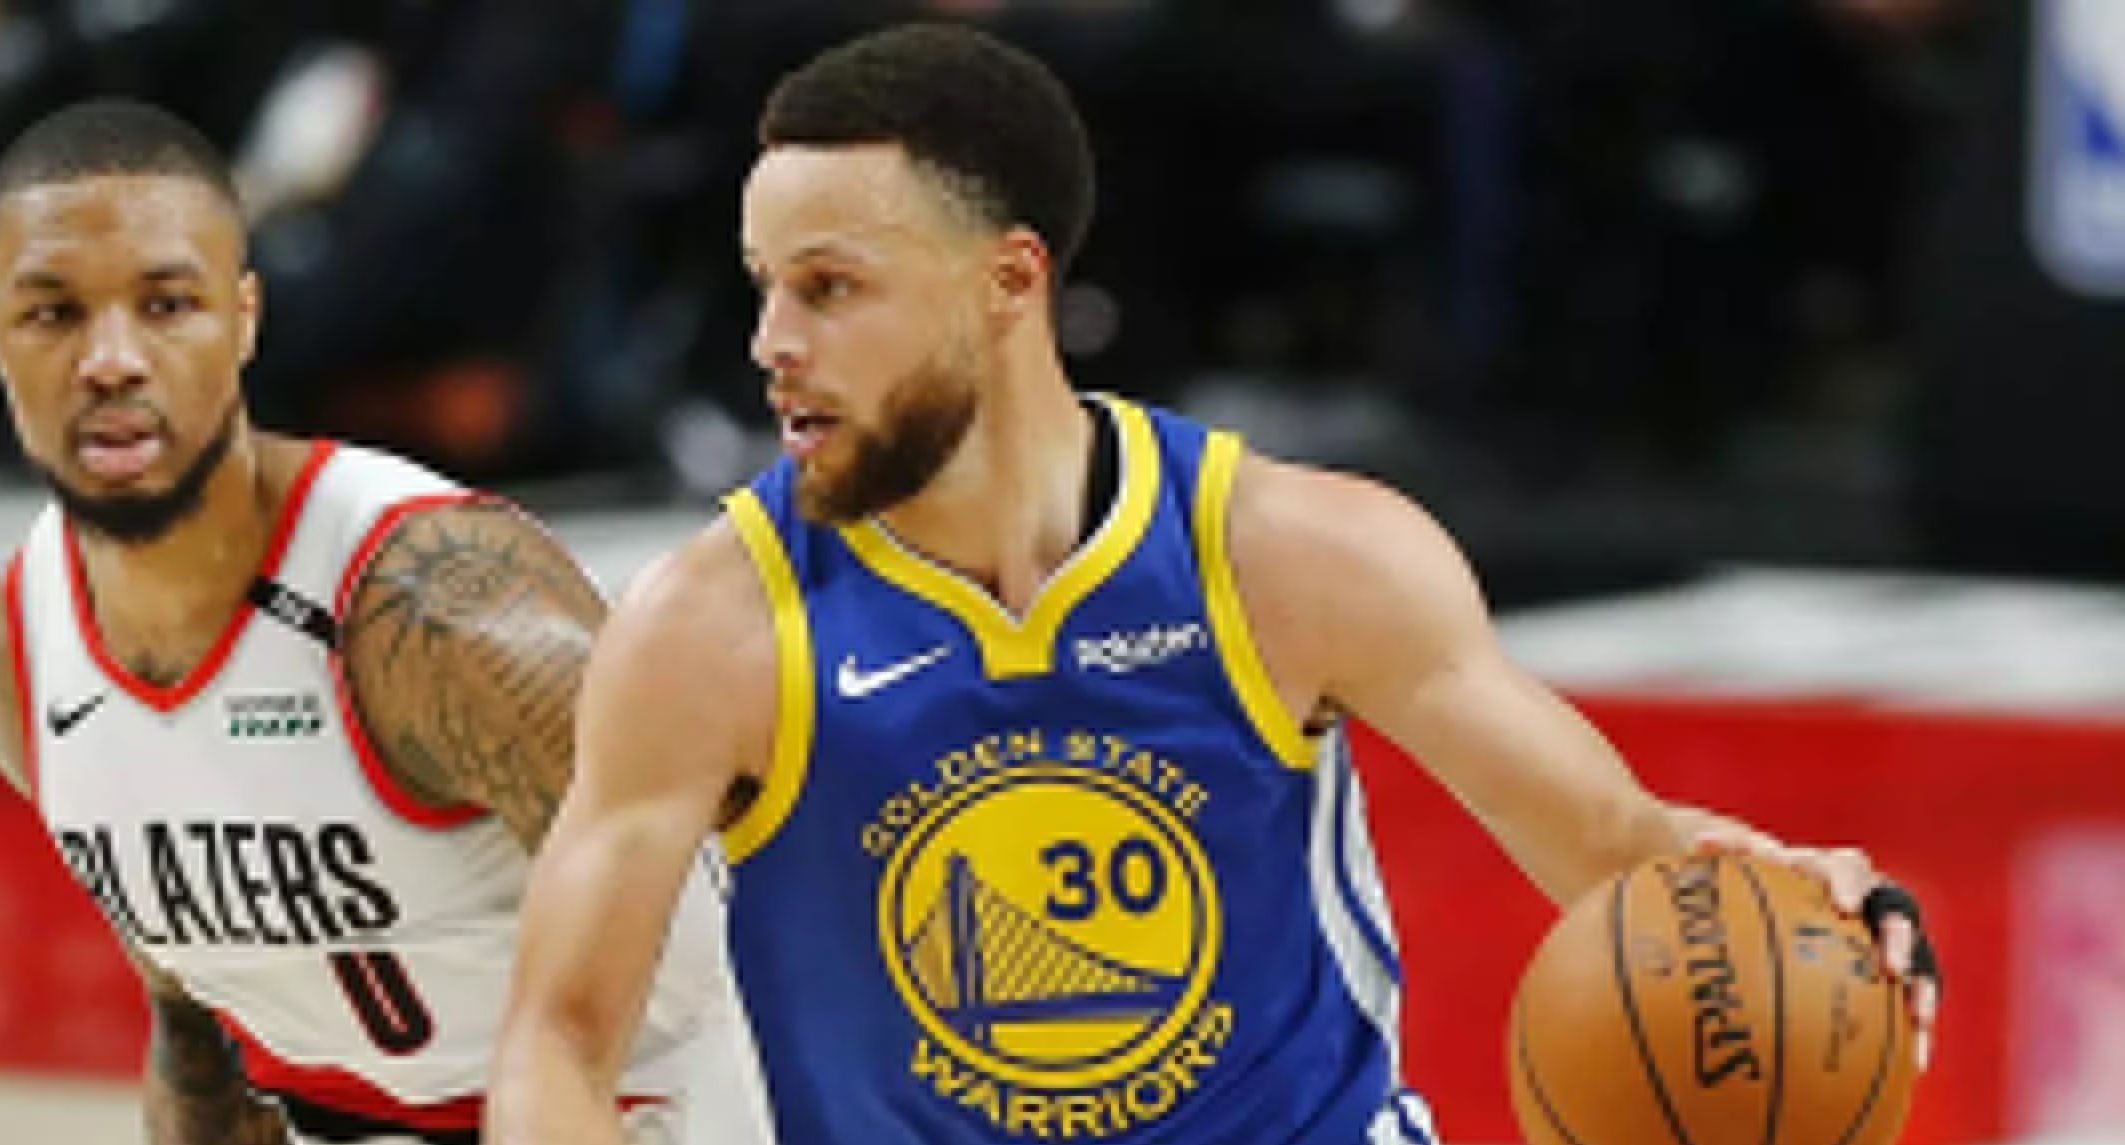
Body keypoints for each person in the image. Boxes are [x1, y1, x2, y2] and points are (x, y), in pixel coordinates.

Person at [490, 23, 1941, 1145]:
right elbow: (558, 1040)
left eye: (828, 286)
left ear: (1008, 282)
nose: (768, 342)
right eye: (762, 284)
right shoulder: (712, 628)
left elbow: (1613, 847)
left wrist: (1800, 896)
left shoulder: (1294, 555)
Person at [0, 98, 767, 1145]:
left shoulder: (442, 613)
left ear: (244, 317)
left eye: (166, 304)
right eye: (54, 313)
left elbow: (732, 969)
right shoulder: (14, 650)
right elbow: (194, 1026)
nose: (111, 359)